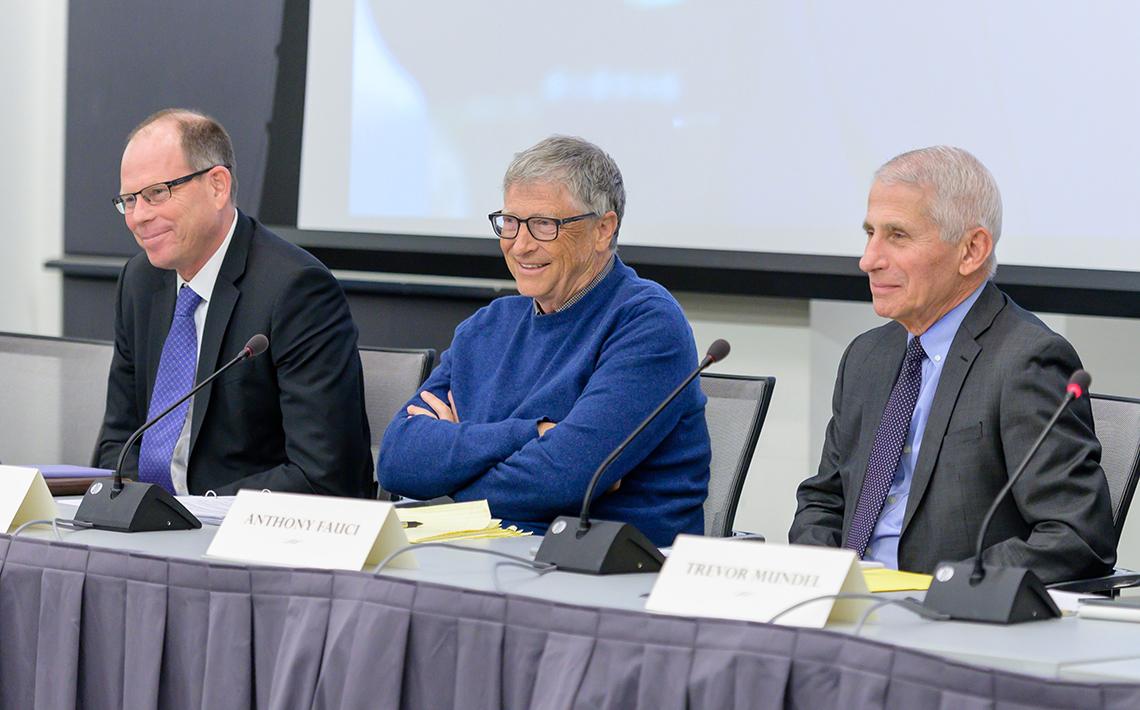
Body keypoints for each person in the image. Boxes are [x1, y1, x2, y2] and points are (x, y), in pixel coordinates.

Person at [789, 146, 1115, 583]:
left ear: (972, 250)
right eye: (870, 233)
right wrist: (822, 578)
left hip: (946, 616)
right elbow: (825, 498)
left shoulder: (1025, 360)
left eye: (898, 236)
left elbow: (1075, 536)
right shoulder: (867, 356)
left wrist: (947, 589)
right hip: (850, 607)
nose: (869, 259)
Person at [378, 136, 710, 547]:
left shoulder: (647, 322)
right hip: (476, 549)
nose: (520, 244)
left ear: (603, 230)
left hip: (603, 571)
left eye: (543, 225)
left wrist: (451, 470)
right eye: (510, 222)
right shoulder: (488, 325)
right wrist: (531, 434)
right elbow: (397, 459)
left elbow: (564, 478)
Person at [94, 108, 373, 497]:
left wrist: (191, 513)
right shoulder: (140, 282)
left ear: (217, 186)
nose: (138, 217)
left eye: (156, 194)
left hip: (250, 535)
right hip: (152, 531)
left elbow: (322, 472)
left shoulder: (296, 289)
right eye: (128, 200)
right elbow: (116, 445)